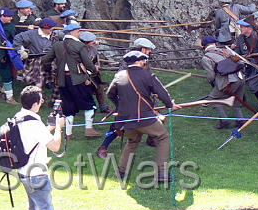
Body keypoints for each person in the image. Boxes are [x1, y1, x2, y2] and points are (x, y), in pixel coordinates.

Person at [107, 50, 181, 182]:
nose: (144, 63)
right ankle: (161, 174)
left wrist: (121, 106)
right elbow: (162, 93)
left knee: (132, 142)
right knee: (163, 137)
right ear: (139, 61)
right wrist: (170, 104)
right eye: (143, 61)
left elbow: (110, 94)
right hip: (144, 118)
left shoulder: (119, 75)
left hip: (127, 119)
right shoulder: (147, 75)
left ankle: (121, 172)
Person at [41, 23, 102, 139]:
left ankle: (68, 134)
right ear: (72, 32)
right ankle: (89, 129)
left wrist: (51, 70)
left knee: (68, 107)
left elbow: (45, 60)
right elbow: (88, 63)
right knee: (89, 104)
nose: (80, 34)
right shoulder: (79, 46)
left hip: (62, 80)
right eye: (78, 31)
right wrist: (94, 70)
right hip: (78, 79)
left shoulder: (57, 45)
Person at [14, 85, 66, 210]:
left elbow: (33, 138)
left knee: (33, 209)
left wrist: (50, 127)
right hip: (37, 175)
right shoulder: (34, 123)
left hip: (24, 172)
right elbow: (55, 147)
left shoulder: (19, 117)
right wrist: (59, 128)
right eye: (41, 101)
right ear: (36, 104)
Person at [200, 35, 246, 129]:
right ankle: (240, 120)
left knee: (214, 99)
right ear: (215, 44)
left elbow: (211, 76)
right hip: (240, 78)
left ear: (204, 46)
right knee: (237, 100)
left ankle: (224, 121)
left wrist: (210, 80)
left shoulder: (206, 58)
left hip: (228, 82)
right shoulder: (225, 51)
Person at [234, 15, 258, 109]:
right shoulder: (241, 38)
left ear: (248, 28)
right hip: (247, 65)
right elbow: (238, 51)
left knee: (253, 86)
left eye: (242, 27)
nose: (240, 29)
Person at [13, 18, 57, 88]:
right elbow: (17, 39)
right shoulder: (32, 34)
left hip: (49, 59)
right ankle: (36, 95)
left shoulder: (54, 35)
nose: (52, 29)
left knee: (46, 79)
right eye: (50, 28)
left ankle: (40, 92)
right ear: (44, 28)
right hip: (35, 60)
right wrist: (21, 50)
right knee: (38, 82)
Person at [80, 30, 112, 113]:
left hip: (93, 72)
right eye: (92, 41)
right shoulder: (79, 49)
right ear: (86, 42)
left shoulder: (93, 48)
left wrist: (96, 68)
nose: (94, 42)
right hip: (81, 73)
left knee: (99, 87)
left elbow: (95, 59)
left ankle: (103, 107)